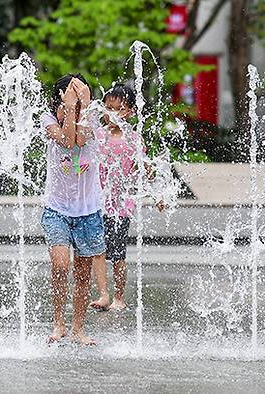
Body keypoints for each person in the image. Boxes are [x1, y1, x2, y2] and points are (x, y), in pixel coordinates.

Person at [40, 73, 103, 346]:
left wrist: (85, 106)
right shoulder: (49, 120)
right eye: (70, 95)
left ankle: (78, 328)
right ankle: (58, 323)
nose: (75, 100)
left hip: (88, 211)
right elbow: (67, 141)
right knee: (60, 265)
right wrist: (68, 108)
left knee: (82, 273)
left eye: (78, 94)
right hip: (57, 209)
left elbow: (81, 138)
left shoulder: (93, 118)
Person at [89, 84, 164, 312]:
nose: (111, 114)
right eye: (108, 109)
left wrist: (157, 194)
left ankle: (119, 296)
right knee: (98, 250)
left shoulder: (133, 139)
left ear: (130, 111)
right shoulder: (97, 136)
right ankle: (103, 294)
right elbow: (85, 163)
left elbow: (145, 169)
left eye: (118, 109)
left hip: (121, 206)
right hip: (96, 204)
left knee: (118, 255)